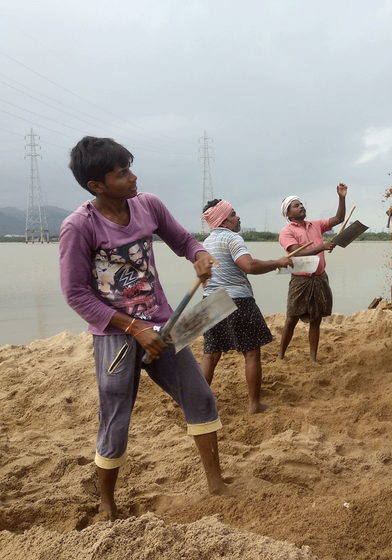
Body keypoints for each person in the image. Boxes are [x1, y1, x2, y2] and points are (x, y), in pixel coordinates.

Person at [59, 136, 228, 520]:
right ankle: (107, 502)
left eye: (130, 168)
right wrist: (134, 328)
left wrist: (200, 254)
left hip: (164, 324)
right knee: (116, 415)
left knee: (200, 397)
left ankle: (217, 485)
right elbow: (75, 295)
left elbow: (183, 240)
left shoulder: (148, 205)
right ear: (96, 186)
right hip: (115, 334)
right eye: (122, 174)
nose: (133, 178)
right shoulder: (78, 226)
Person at [199, 199, 293, 414]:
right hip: (237, 300)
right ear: (224, 220)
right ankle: (254, 405)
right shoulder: (233, 238)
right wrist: (277, 263)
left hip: (210, 299)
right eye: (233, 214)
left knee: (210, 355)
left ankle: (199, 406)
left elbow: (205, 279)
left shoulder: (205, 244)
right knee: (251, 354)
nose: (238, 217)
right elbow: (248, 266)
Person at [277, 183, 347, 362]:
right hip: (300, 280)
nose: (301, 206)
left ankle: (313, 358)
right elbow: (297, 252)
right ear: (288, 214)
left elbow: (339, 218)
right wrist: (322, 246)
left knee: (316, 319)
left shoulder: (315, 225)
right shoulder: (286, 232)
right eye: (296, 205)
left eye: (301, 204)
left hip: (319, 277)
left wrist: (341, 197)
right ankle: (280, 355)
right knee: (291, 319)